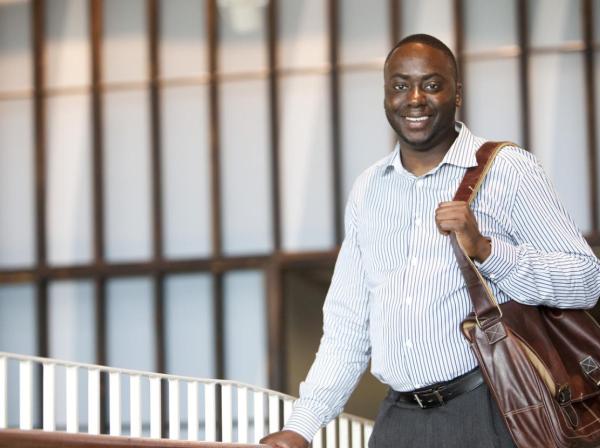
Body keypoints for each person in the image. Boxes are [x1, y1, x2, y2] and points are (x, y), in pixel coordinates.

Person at [260, 34, 600, 448]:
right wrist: (302, 425)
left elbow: (585, 280)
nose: (415, 98)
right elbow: (348, 325)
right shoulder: (369, 189)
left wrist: (488, 251)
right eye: (400, 86)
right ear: (387, 97)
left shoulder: (508, 170)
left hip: (491, 411)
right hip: (398, 423)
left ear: (457, 94)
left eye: (432, 85)